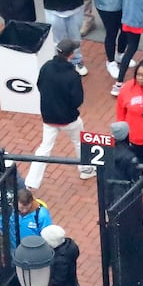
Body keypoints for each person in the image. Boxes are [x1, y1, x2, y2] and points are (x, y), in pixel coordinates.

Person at [27, 40, 95, 189]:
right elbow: (78, 100)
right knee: (80, 142)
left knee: (44, 149)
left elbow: (39, 85)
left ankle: (31, 182)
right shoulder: (72, 75)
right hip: (68, 118)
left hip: (49, 117)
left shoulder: (46, 68)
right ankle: (86, 169)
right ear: (71, 54)